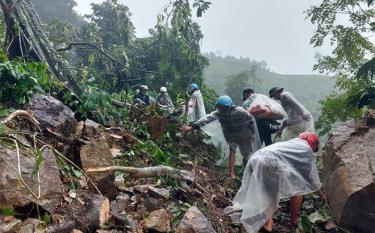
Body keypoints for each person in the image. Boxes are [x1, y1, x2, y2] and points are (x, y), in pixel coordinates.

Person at [226, 132, 326, 233]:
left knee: (262, 192)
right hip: (269, 161)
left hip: (255, 158)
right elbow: (311, 180)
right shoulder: (306, 149)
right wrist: (322, 196)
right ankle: (278, 223)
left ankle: (257, 217)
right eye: (314, 150)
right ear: (313, 144)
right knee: (292, 191)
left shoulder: (292, 144)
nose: (312, 152)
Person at [181, 95, 260, 179]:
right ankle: (232, 174)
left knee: (246, 155)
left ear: (229, 107)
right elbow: (206, 119)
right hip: (231, 136)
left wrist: (252, 133)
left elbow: (250, 119)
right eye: (220, 107)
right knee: (232, 152)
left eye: (223, 107)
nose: (221, 109)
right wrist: (192, 127)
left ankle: (248, 173)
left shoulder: (240, 111)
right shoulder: (218, 113)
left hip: (243, 135)